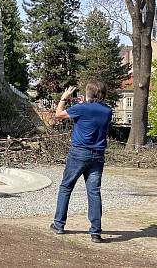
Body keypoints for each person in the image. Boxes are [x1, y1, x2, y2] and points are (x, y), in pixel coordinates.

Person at [51, 81, 112, 243]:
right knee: (93, 192)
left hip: (79, 153)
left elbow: (58, 114)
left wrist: (64, 98)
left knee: (66, 186)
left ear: (88, 94)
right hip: (98, 155)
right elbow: (92, 115)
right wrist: (84, 104)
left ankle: (59, 224)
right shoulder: (108, 111)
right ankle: (95, 232)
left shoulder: (81, 108)